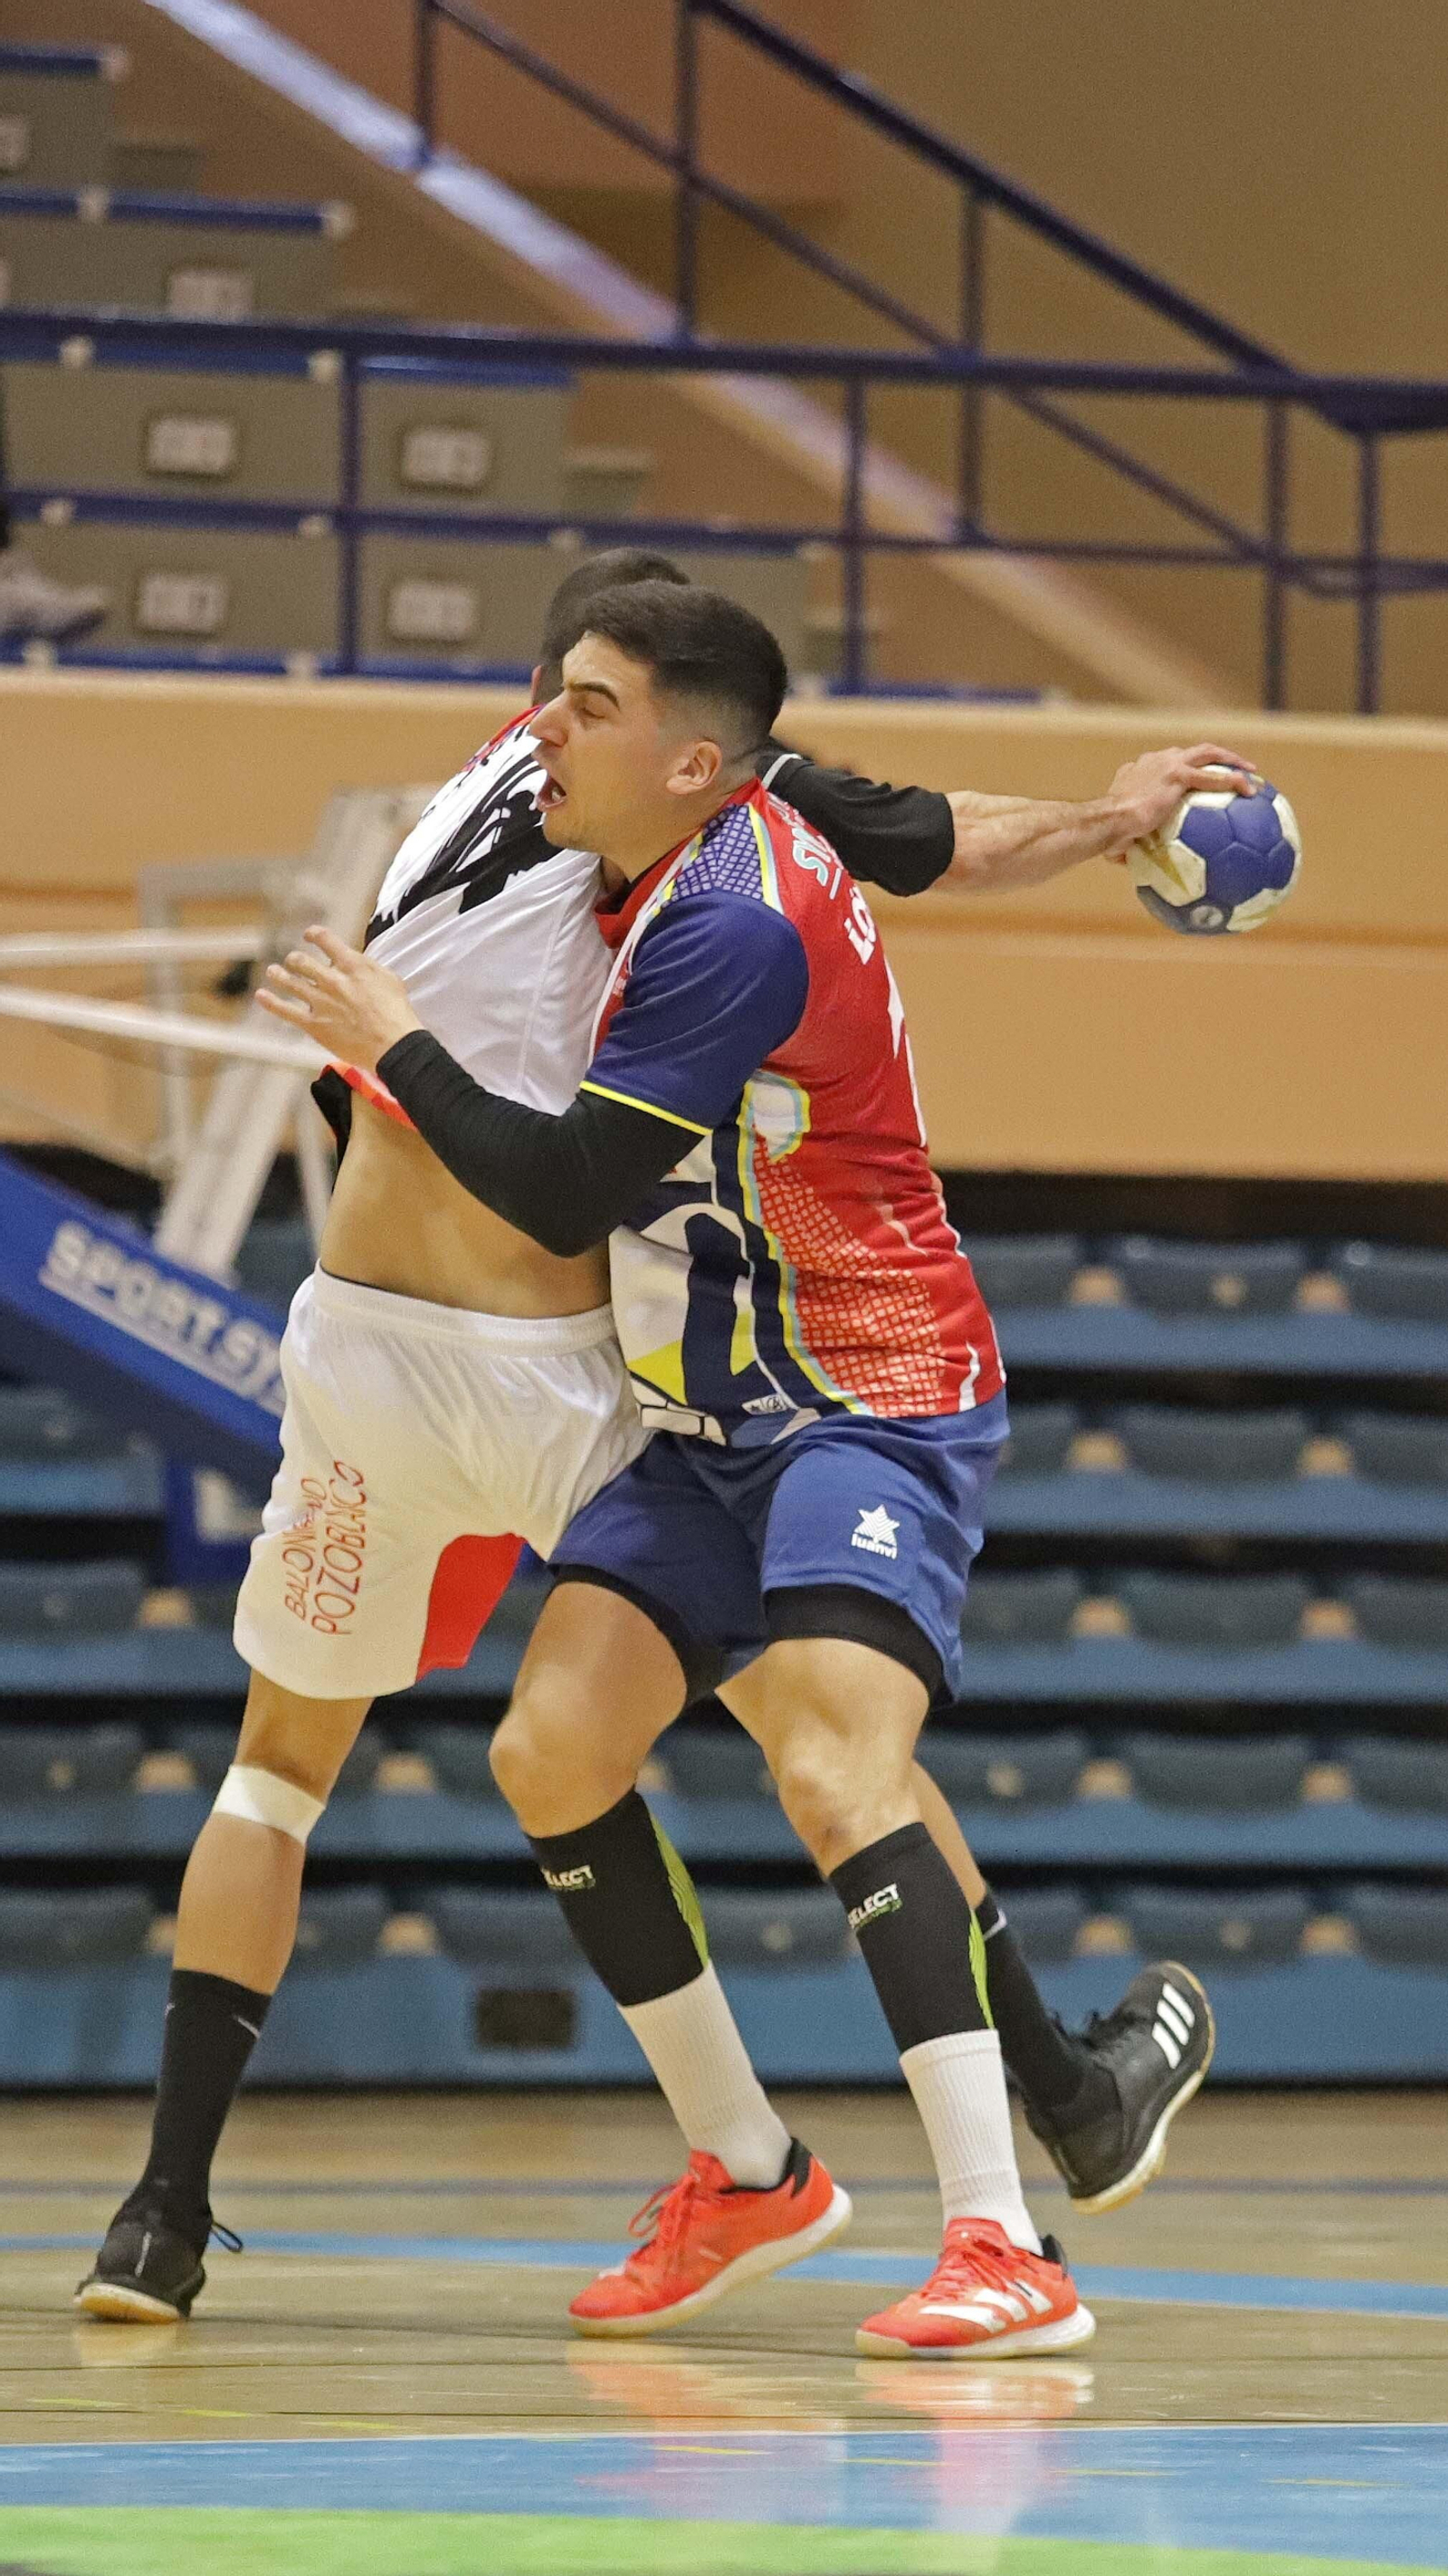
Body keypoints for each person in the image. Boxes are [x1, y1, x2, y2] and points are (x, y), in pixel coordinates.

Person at [77, 547, 1223, 2327]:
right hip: (563, 1377)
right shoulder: (572, 800)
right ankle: (750, 2161)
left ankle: (1022, 2184)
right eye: (550, 689)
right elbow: (926, 834)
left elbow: (585, 1162)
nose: (550, 720)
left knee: (836, 1758)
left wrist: (387, 1045)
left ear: (691, 745)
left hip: (739, 1371)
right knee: (498, 1752)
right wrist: (1104, 815)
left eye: (589, 698)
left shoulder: (719, 882)